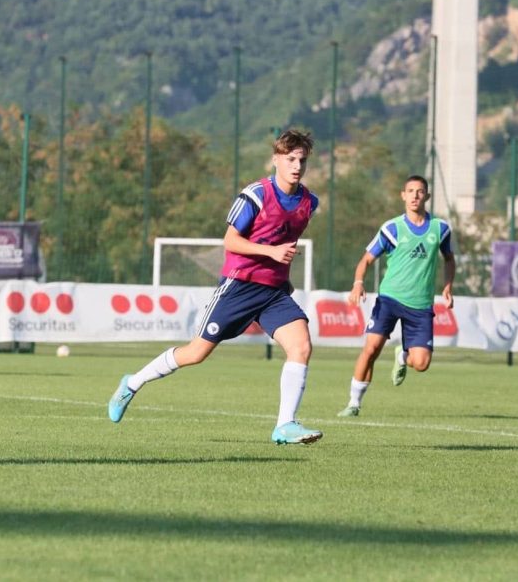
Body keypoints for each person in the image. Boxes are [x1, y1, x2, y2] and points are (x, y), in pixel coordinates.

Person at [108, 129, 324, 445]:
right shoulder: (256, 195)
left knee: (301, 346)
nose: (296, 166)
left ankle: (285, 425)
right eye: (290, 159)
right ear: (275, 159)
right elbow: (231, 241)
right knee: (196, 353)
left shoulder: (308, 202)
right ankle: (132, 383)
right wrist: (271, 253)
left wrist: (280, 272)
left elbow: (281, 240)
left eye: (302, 160)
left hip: (273, 292)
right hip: (239, 286)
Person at [336, 174, 456, 417]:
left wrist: (448, 286)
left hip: (421, 305)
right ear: (403, 195)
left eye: (420, 191)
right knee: (371, 349)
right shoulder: (392, 228)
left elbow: (449, 259)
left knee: (421, 364)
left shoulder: (440, 228)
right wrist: (358, 283)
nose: (415, 196)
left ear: (427, 196)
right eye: (410, 191)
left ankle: (403, 355)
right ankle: (353, 403)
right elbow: (366, 259)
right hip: (389, 299)